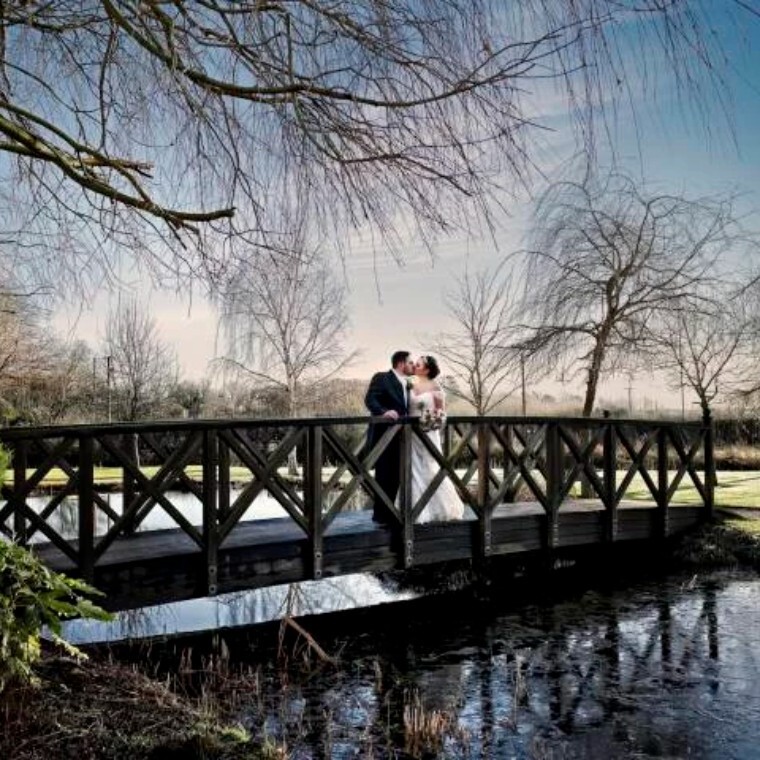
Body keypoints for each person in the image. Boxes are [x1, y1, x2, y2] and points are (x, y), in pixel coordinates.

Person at [406, 355, 465, 523]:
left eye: (418, 365)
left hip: (428, 433)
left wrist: (431, 421)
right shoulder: (410, 384)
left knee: (430, 467)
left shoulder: (436, 387)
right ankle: (414, 509)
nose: (415, 366)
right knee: (413, 469)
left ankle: (443, 508)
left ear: (427, 369)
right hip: (411, 434)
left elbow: (442, 414)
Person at [364, 350, 414, 524]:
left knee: (399, 477)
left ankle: (394, 512)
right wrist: (385, 412)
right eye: (410, 362)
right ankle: (380, 516)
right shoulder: (382, 378)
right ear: (400, 363)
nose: (412, 365)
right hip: (384, 437)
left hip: (403, 439)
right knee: (384, 476)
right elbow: (370, 400)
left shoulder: (408, 384)